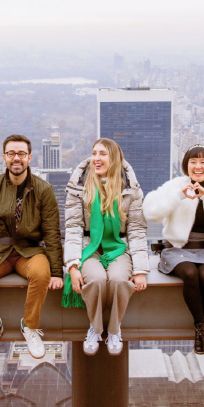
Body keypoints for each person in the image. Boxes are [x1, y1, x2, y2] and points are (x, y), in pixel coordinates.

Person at [0, 134, 63, 359]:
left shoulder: (43, 190)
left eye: (21, 154)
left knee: (40, 273)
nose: (16, 158)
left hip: (31, 250)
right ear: (4, 157)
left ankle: (30, 326)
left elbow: (52, 233)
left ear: (29, 157)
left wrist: (57, 271)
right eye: (11, 154)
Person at [143, 144, 204, 358]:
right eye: (193, 162)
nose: (198, 166)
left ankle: (201, 333)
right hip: (177, 248)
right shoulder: (177, 185)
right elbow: (151, 211)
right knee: (190, 273)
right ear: (186, 165)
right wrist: (178, 196)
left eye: (203, 162)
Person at [62, 138, 149, 356]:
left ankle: (114, 329)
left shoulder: (131, 189)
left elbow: (137, 230)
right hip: (89, 245)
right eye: (94, 153)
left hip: (118, 246)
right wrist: (72, 265)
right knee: (97, 279)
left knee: (120, 280)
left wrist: (140, 270)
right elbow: (73, 227)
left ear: (114, 159)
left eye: (103, 154)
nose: (97, 158)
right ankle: (95, 328)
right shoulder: (78, 187)